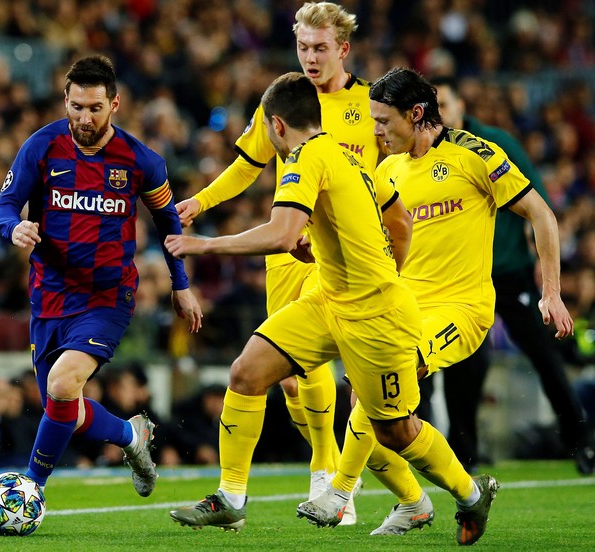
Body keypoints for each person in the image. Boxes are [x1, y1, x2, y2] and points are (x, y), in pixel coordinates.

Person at [166, 73, 484, 548]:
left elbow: (278, 233)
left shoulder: (304, 158)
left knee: (395, 431)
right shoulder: (346, 156)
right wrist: (336, 255)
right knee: (247, 373)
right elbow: (399, 222)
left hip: (376, 317)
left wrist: (203, 244)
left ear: (276, 125)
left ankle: (470, 494)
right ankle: (231, 498)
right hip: (328, 299)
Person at [298, 67, 573, 543]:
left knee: (391, 375)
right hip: (402, 308)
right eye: (373, 121)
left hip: (461, 310)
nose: (376, 132)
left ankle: (340, 491)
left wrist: (551, 291)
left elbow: (542, 216)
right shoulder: (387, 171)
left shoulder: (475, 155)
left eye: (384, 121)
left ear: (417, 114)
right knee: (382, 418)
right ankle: (433, 501)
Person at [174, 2, 377, 521]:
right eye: (303, 47)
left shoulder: (370, 104)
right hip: (287, 250)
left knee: (316, 365)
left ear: (343, 49)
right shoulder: (283, 102)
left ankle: (328, 482)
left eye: (320, 48)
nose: (310, 57)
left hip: (343, 253)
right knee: (287, 377)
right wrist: (202, 201)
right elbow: (246, 167)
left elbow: (394, 178)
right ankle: (326, 477)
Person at [0, 55, 202, 496]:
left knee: (64, 383)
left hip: (107, 297)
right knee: (61, 402)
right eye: (76, 107)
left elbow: (169, 222)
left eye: (94, 108)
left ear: (115, 104)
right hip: (48, 295)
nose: (83, 117)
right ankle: (131, 436)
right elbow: (6, 204)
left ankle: (31, 489)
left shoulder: (142, 161)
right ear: (64, 100)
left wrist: (180, 284)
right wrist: (15, 227)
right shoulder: (41, 147)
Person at [432, 75, 595, 475]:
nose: (440, 114)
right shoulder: (428, 154)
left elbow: (536, 204)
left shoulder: (495, 143)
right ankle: (464, 453)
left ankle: (581, 443)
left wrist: (546, 277)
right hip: (463, 277)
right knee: (462, 363)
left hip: (507, 270)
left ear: (460, 106)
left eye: (445, 104)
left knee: (543, 353)